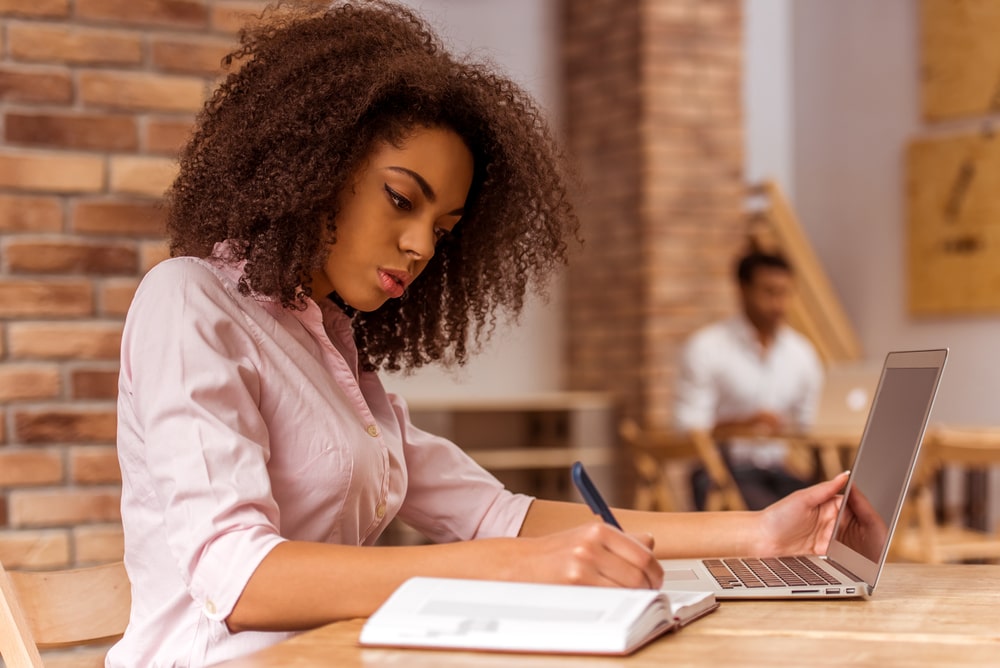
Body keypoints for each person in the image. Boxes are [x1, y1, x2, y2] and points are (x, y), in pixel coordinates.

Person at [109, 3, 847, 666]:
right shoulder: (190, 304)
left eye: (442, 228)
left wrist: (757, 534)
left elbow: (499, 515)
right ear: (316, 166)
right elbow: (239, 578)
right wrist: (510, 568)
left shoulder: (335, 351)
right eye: (401, 199)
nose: (420, 247)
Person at [674, 250, 825, 510]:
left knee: (833, 508)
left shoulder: (802, 353)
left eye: (785, 292)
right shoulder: (707, 347)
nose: (779, 303)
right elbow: (687, 429)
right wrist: (744, 423)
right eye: (769, 292)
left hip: (778, 472)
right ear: (743, 290)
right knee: (778, 517)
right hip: (720, 474)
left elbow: (810, 420)